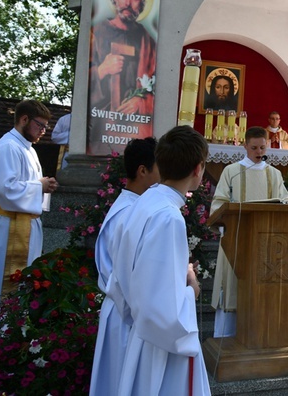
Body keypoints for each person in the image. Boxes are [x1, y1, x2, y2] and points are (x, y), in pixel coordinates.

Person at [110, 125, 210, 395]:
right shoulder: (168, 217)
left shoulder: (143, 202)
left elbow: (124, 275)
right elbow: (162, 312)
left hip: (141, 334)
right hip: (160, 348)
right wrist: (190, 288)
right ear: (198, 169)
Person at [89, 138, 159, 396]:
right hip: (126, 315)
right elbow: (129, 278)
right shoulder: (128, 214)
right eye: (159, 167)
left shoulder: (132, 207)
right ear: (143, 171)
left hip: (123, 311)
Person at [210, 126, 288, 337]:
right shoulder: (232, 171)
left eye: (262, 147)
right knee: (233, 289)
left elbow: (286, 204)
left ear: (267, 145)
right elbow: (219, 203)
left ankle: (257, 337)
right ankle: (225, 339)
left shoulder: (274, 174)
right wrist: (225, 228)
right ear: (245, 146)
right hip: (236, 241)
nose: (258, 152)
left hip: (267, 245)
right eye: (253, 147)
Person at [0, 100, 59, 318]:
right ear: (24, 119)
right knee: (0, 281)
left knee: (22, 282)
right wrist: (40, 186)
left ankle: (12, 331)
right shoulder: (7, 147)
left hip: (23, 224)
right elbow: (3, 189)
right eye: (40, 125)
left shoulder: (28, 149)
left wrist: (43, 185)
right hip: (7, 227)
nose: (44, 131)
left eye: (46, 127)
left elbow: (24, 184)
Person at [90, 0, 156, 116]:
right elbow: (83, 80)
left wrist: (141, 101)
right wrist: (103, 70)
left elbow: (156, 82)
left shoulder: (148, 41)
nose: (127, 3)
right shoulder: (96, 32)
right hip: (101, 121)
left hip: (136, 123)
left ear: (140, 4)